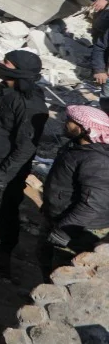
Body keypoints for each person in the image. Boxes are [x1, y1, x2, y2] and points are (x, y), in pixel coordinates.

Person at [0, 50, 48, 278]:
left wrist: (2, 176)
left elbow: (26, 147)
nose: (1, 64)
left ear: (20, 71)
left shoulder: (31, 106)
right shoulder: (6, 88)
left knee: (2, 215)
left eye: (7, 63)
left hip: (5, 170)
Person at [38, 105, 109, 274]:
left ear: (84, 128)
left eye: (70, 122)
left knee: (63, 270)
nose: (65, 124)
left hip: (80, 229)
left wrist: (65, 231)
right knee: (45, 258)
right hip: (61, 217)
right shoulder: (76, 146)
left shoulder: (96, 160)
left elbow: (93, 204)